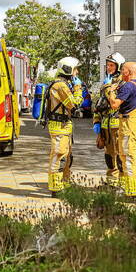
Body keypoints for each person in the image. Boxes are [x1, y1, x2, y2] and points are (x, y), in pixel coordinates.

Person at [106, 61, 136, 201]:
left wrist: (111, 91)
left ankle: (132, 193)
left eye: (123, 70)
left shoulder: (127, 86)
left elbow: (114, 105)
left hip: (129, 125)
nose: (121, 72)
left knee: (127, 158)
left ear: (129, 72)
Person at [43, 57, 80, 195]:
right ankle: (56, 188)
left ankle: (64, 183)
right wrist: (78, 89)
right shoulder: (60, 86)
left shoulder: (61, 84)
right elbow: (73, 104)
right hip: (59, 126)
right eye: (75, 70)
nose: (77, 72)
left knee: (67, 156)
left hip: (63, 125)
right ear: (68, 69)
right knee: (59, 156)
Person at [93, 52, 125, 186]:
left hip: (117, 126)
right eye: (107, 65)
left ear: (118, 67)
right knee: (109, 156)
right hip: (105, 126)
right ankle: (111, 183)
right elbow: (99, 104)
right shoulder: (107, 82)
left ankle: (122, 184)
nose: (108, 68)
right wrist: (96, 121)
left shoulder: (122, 83)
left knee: (119, 156)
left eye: (112, 65)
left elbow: (113, 102)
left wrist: (107, 86)